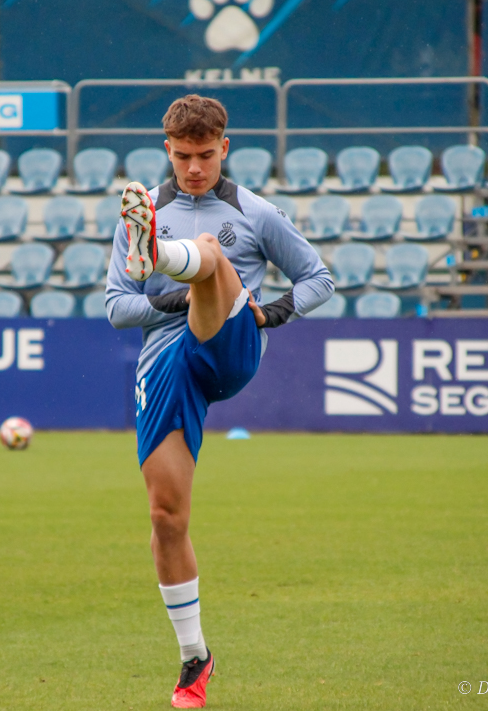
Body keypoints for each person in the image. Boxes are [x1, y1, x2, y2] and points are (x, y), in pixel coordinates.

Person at [105, 95, 334, 708]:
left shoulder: (255, 213)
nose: (195, 168)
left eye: (206, 155)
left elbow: (320, 277)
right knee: (165, 517)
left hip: (231, 344)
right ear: (168, 151)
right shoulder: (147, 206)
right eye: (183, 156)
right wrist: (168, 301)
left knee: (209, 253)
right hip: (167, 361)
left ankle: (172, 258)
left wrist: (279, 310)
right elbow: (115, 307)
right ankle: (194, 659)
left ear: (224, 148)